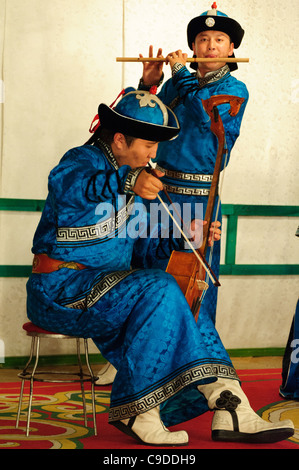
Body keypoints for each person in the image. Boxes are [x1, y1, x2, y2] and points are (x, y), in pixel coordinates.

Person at [26, 88, 294, 446]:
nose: (154, 156)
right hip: (59, 292)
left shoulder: (135, 176)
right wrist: (126, 181)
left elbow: (147, 248)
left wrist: (188, 237)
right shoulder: (81, 161)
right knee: (159, 287)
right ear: (119, 140)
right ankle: (140, 411)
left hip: (106, 293)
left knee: (181, 297)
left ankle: (232, 406)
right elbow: (67, 187)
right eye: (149, 146)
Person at [96, 3, 248, 385]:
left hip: (199, 198)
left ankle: (196, 366)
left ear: (231, 50)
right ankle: (127, 356)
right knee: (142, 269)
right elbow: (145, 120)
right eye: (202, 39)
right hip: (156, 190)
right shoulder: (177, 83)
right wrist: (149, 82)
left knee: (189, 278)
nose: (209, 45)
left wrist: (181, 72)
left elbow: (205, 118)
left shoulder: (234, 88)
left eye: (218, 40)